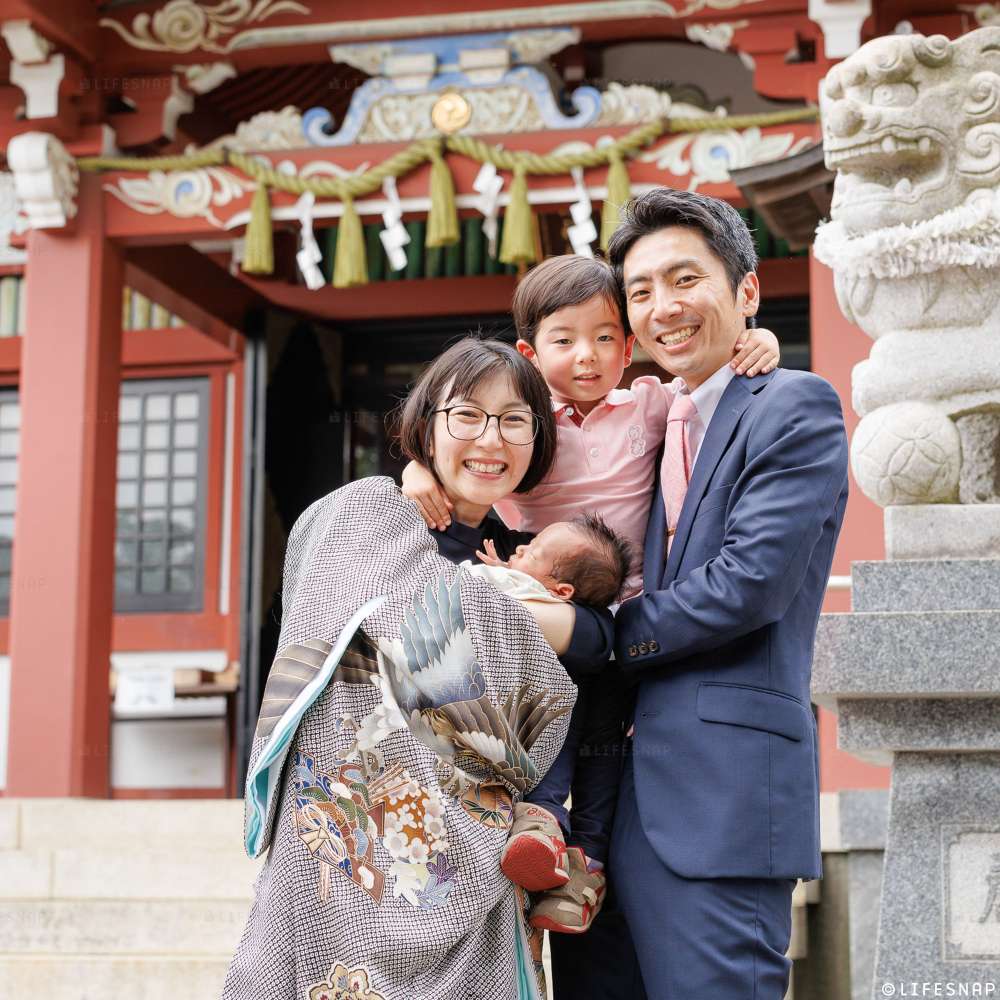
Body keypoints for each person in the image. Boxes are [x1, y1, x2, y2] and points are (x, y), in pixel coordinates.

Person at [223, 337, 614, 1000]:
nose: (490, 439)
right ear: (425, 424)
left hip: (474, 878)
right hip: (338, 855)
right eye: (467, 414)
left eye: (515, 420)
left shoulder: (528, 561)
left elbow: (592, 653)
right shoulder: (366, 515)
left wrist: (498, 601)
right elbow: (324, 657)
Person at [402, 253, 781, 936]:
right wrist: (412, 468)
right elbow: (460, 445)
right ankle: (544, 826)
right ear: (529, 351)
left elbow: (715, 385)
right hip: (535, 607)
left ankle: (584, 867)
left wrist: (759, 339)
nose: (588, 356)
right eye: (565, 340)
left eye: (606, 338)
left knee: (605, 745)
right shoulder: (521, 423)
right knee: (561, 729)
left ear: (630, 346)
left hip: (626, 616)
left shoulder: (650, 405)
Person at [597, 188, 850, 1000]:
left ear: (746, 293)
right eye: (640, 292)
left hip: (721, 801)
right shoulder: (638, 423)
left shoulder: (792, 405)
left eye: (684, 280)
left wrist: (601, 636)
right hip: (605, 806)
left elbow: (748, 586)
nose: (662, 308)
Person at [468, 514, 632, 611]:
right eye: (531, 543)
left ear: (561, 592)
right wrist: (502, 567)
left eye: (533, 555)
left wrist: (502, 573)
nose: (519, 548)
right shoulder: (531, 586)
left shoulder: (541, 603)